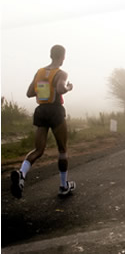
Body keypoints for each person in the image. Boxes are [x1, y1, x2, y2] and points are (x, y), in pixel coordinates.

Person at [11, 44, 75, 198]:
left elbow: (29, 93)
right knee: (62, 150)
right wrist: (68, 88)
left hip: (41, 111)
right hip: (55, 111)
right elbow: (60, 89)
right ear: (62, 56)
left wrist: (44, 87)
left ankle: (22, 174)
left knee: (38, 150)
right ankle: (63, 186)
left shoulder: (39, 72)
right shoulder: (61, 73)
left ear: (50, 55)